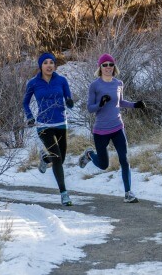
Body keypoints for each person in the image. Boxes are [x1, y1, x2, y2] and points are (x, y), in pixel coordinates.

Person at [79, 53, 146, 203]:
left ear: (114, 66)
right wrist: (100, 104)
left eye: (110, 64)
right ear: (100, 67)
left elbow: (120, 102)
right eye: (105, 65)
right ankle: (90, 155)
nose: (108, 67)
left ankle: (128, 192)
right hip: (101, 130)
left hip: (117, 127)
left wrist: (135, 105)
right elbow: (90, 108)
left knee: (125, 159)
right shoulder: (95, 86)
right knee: (103, 165)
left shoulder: (118, 83)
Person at [23, 52, 74, 206]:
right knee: (57, 158)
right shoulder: (33, 83)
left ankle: (45, 158)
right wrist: (30, 117)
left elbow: (69, 99)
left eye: (51, 62)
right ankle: (64, 194)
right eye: (45, 62)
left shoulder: (62, 80)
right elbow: (25, 103)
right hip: (43, 125)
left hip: (60, 123)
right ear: (40, 66)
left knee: (61, 159)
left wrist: (70, 102)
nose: (49, 65)